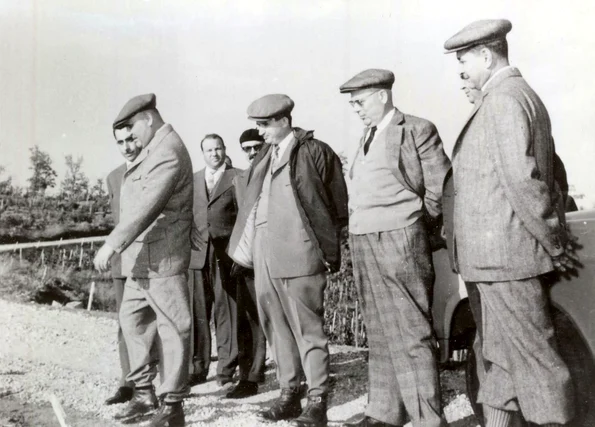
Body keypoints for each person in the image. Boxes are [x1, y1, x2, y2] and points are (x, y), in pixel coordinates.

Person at [442, 19, 577, 427]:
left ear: (486, 54)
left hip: (507, 258)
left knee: (538, 366)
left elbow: (525, 180)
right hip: (495, 260)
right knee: (499, 361)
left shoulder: (504, 99)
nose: (462, 70)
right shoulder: (511, 96)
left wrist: (554, 241)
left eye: (464, 60)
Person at [227, 94, 349, 427]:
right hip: (265, 253)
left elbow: (337, 206)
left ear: (284, 121)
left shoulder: (313, 151)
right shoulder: (264, 158)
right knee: (276, 326)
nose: (261, 132)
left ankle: (318, 398)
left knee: (307, 328)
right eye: (258, 125)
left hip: (300, 251)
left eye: (265, 125)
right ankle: (289, 393)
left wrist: (324, 248)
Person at [339, 69, 450, 427]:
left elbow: (439, 189)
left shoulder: (416, 129)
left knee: (411, 330)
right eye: (352, 102)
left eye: (360, 100)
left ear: (382, 95)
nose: (355, 107)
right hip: (363, 239)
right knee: (380, 327)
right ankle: (384, 412)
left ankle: (428, 420)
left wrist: (414, 226)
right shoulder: (366, 135)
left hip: (400, 238)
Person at [93, 93, 194, 427]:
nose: (131, 139)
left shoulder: (168, 150)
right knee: (133, 319)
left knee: (173, 327)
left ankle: (173, 407)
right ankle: (142, 393)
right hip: (143, 257)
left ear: (149, 119)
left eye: (133, 130)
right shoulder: (154, 149)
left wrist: (112, 244)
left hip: (162, 257)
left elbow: (146, 206)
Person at [187, 134, 239, 389]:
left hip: (225, 254)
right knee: (198, 312)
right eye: (209, 150)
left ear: (224, 149)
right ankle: (198, 368)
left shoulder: (237, 176)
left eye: (218, 148)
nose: (214, 154)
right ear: (203, 153)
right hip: (197, 254)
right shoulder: (193, 180)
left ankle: (226, 370)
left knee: (226, 310)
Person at [223, 128, 268, 399]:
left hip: (276, 254)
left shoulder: (278, 169)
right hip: (248, 257)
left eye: (256, 146)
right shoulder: (240, 179)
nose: (252, 153)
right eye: (247, 149)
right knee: (248, 317)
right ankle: (249, 377)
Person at [103, 130, 142, 406]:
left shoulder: (156, 168)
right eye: (121, 142)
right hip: (122, 261)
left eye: (131, 139)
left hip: (151, 258)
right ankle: (127, 383)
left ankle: (164, 386)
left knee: (156, 322)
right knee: (125, 323)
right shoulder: (114, 177)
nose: (127, 147)